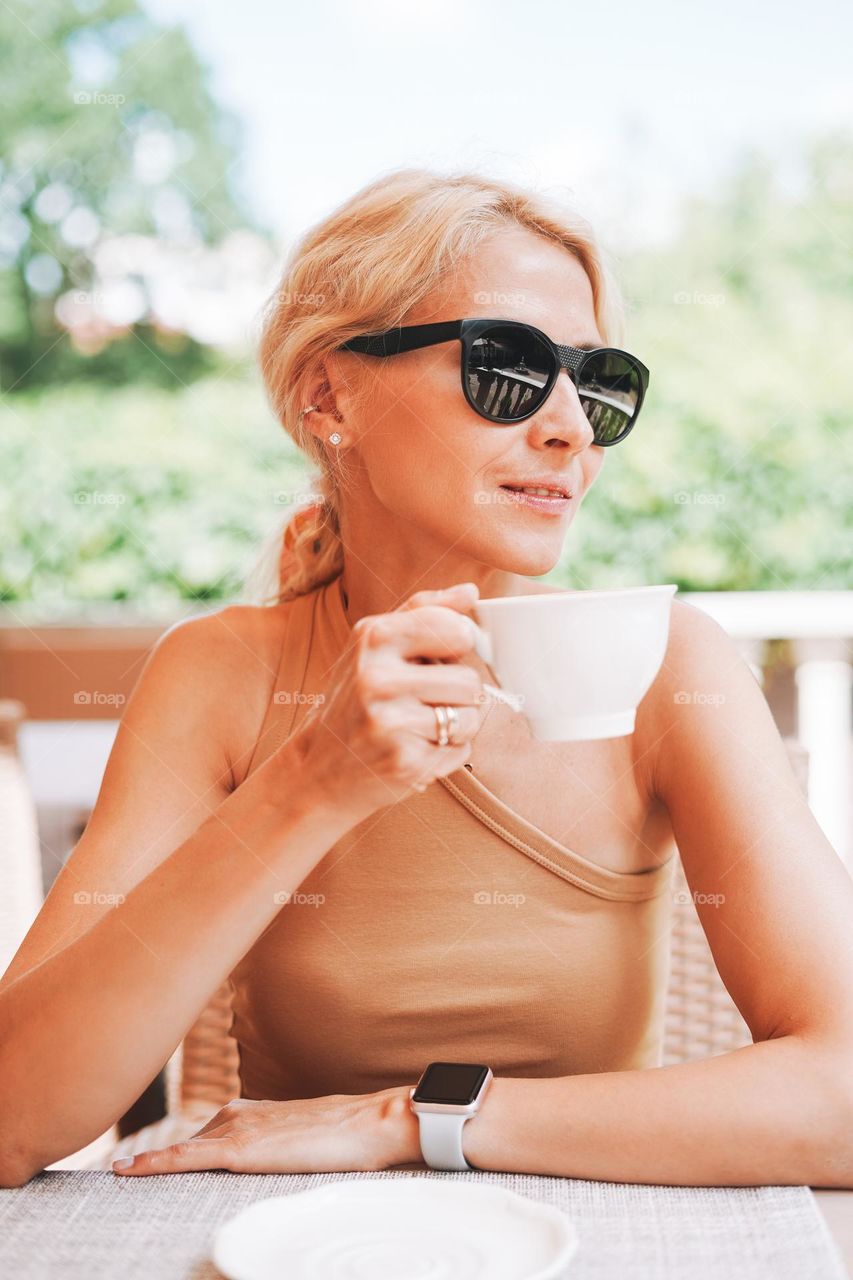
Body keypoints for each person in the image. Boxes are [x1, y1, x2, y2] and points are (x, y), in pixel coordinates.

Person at [2, 167, 852, 1190]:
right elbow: (15, 1115)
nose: (571, 428)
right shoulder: (220, 676)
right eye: (507, 366)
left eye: (596, 382)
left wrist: (410, 1119)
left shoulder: (667, 665)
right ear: (330, 395)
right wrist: (314, 777)